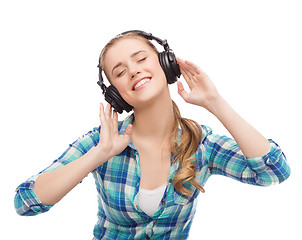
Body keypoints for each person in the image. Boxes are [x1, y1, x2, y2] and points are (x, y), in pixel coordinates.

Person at [14, 30, 291, 239]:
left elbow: (274, 172)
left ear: (166, 64)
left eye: (141, 59)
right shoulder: (102, 141)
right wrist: (99, 154)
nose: (133, 70)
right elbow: (26, 203)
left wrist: (214, 102)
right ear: (115, 94)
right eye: (119, 72)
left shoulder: (202, 145)